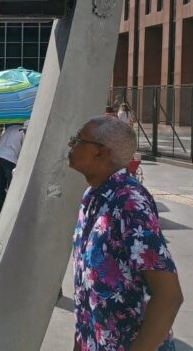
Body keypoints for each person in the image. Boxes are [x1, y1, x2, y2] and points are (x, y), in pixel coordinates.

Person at [68, 116, 182, 351]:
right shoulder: (92, 197)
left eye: (78, 140)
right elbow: (86, 296)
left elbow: (168, 296)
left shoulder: (130, 202)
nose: (71, 145)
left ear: (101, 152)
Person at [0, 122, 25, 219]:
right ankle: (11, 210)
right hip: (10, 159)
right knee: (12, 185)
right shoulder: (23, 131)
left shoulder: (9, 129)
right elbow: (25, 148)